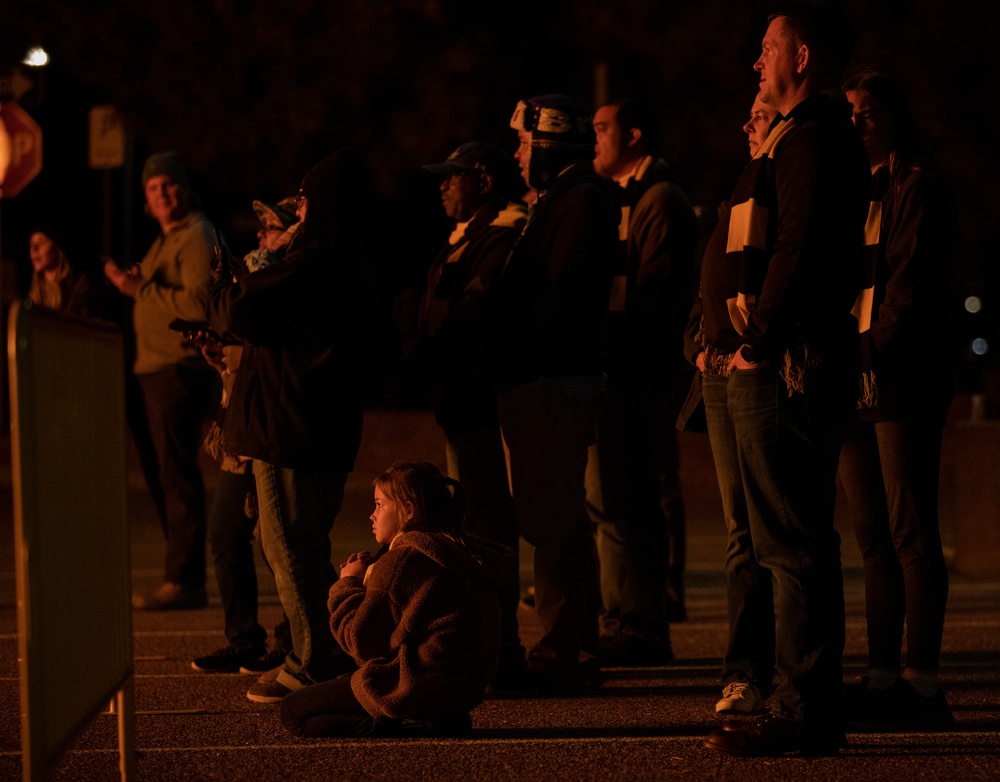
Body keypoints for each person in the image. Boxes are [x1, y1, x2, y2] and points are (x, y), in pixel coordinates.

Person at [695, 4, 871, 756]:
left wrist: (759, 339)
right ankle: (802, 698)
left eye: (768, 49)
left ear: (801, 58)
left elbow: (796, 247)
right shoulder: (796, 142)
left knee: (788, 542)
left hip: (785, 367)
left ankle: (803, 706)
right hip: (778, 360)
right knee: (788, 539)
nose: (756, 62)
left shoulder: (810, 140)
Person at [208, 148, 380, 703]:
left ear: (322, 204)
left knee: (290, 549)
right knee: (302, 545)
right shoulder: (351, 259)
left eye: (304, 199)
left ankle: (313, 663)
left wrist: (224, 288)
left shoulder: (313, 262)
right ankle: (315, 651)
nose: (298, 210)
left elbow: (238, 311)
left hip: (289, 428)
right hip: (317, 427)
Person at [483, 93, 619, 695]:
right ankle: (563, 645)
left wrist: (512, 344)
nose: (515, 154)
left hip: (553, 383)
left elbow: (560, 299)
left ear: (547, 144)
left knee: (555, 521)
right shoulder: (564, 201)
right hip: (544, 379)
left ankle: (563, 651)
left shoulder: (581, 202)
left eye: (523, 143)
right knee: (549, 518)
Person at [838, 69, 958, 731]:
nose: (855, 122)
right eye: (848, 112)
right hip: (852, 377)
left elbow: (908, 292)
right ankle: (882, 675)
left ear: (894, 118)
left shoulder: (917, 186)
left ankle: (922, 683)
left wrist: (862, 353)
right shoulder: (852, 190)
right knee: (872, 538)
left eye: (867, 112)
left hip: (900, 376)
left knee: (910, 531)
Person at [404, 141, 528, 685]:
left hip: (483, 400)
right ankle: (495, 647)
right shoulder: (470, 235)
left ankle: (504, 651)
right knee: (477, 522)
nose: (441, 187)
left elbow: (477, 312)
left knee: (488, 525)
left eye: (451, 177)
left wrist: (430, 338)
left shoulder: (504, 233)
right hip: (462, 400)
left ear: (482, 179)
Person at [588, 98, 699, 666]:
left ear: (634, 134)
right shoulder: (632, 197)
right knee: (611, 502)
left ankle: (640, 621)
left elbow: (655, 299)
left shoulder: (659, 200)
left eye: (602, 128)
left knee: (629, 501)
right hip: (626, 372)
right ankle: (623, 617)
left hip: (638, 376)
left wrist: (612, 339)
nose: (594, 139)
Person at [279, 461, 502, 738]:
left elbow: (361, 643)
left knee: (292, 711)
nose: (372, 515)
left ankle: (409, 723)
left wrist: (347, 585)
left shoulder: (400, 562)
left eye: (380, 505)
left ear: (408, 511)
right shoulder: (459, 550)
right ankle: (433, 717)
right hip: (460, 690)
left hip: (411, 685)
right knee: (340, 686)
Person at [683, 94, 781, 717]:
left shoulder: (789, 182)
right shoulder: (739, 193)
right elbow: (710, 280)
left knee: (770, 533)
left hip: (754, 370)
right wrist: (697, 342)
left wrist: (753, 347)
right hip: (719, 371)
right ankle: (745, 670)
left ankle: (765, 673)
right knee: (741, 532)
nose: (747, 123)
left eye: (762, 113)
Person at [104, 151, 219, 611]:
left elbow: (198, 304)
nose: (162, 193)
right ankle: (181, 575)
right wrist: (139, 281)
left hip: (178, 369)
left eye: (169, 184)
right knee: (165, 475)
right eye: (153, 188)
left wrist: (140, 289)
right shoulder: (165, 240)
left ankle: (185, 581)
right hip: (154, 369)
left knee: (177, 476)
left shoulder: (195, 235)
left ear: (183, 189)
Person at [191, 198, 299, 674]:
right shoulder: (258, 278)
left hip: (273, 426)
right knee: (225, 534)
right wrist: (220, 355)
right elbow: (247, 355)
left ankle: (296, 638)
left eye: (272, 227)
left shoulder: (289, 276)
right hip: (242, 430)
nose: (261, 237)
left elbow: (274, 356)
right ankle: (244, 638)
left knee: (282, 541)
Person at [27, 227, 115, 319]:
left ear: (58, 247)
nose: (34, 249)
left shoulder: (81, 287)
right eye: (31, 245)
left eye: (41, 242)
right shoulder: (33, 295)